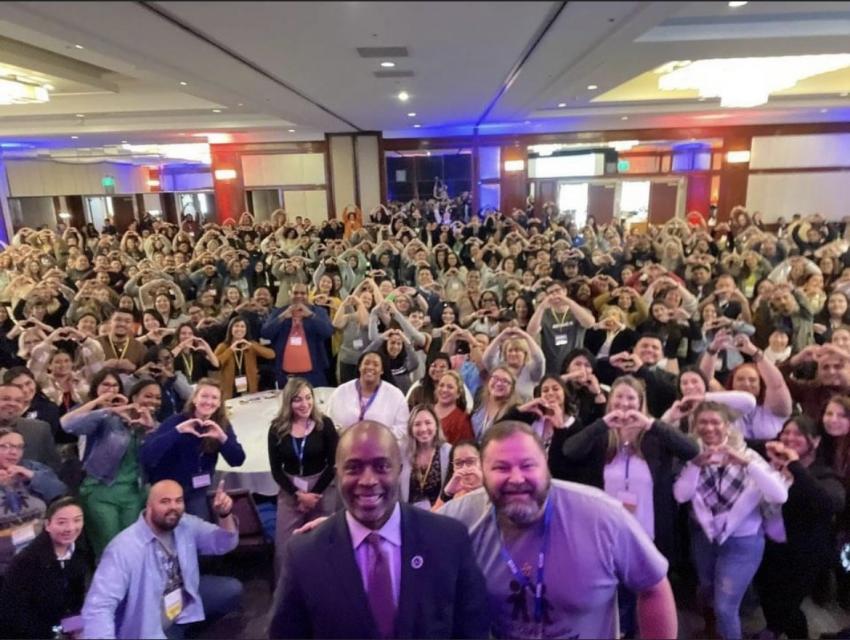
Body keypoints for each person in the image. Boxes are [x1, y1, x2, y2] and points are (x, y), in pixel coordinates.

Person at [438, 420, 677, 639]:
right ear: (483, 472)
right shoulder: (459, 521)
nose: (517, 478)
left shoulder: (602, 517)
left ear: (547, 466)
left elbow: (653, 585)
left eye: (528, 465)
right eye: (501, 468)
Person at [268, 420, 490, 639]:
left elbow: (472, 627)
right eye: (353, 468)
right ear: (338, 474)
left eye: (381, 466)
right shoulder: (304, 555)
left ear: (399, 471)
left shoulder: (448, 540)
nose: (368, 480)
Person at [673, 401, 788, 640]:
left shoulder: (748, 455)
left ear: (727, 426)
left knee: (726, 607)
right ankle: (712, 632)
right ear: (695, 426)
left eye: (716, 422)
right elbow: (681, 495)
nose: (709, 427)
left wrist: (746, 464)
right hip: (704, 537)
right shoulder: (692, 454)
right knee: (707, 589)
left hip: (742, 542)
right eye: (703, 422)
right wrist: (695, 465)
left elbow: (779, 494)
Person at [80, 479, 242, 639]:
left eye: (178, 501)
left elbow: (224, 543)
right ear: (149, 506)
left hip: (182, 605)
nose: (173, 507)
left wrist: (224, 514)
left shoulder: (185, 524)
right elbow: (98, 607)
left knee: (231, 590)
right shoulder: (123, 548)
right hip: (149, 624)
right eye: (165, 502)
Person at [752, 416, 845, 640]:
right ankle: (773, 629)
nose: (790, 438)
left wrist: (794, 464)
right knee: (767, 595)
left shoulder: (824, 474)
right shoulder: (773, 462)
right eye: (786, 433)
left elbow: (829, 504)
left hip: (802, 555)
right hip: (771, 546)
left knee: (788, 607)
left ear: (815, 441)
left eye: (798, 434)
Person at [61, 371, 159, 558]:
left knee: (133, 547)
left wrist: (149, 428)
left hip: (132, 492)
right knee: (110, 548)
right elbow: (67, 424)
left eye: (115, 386)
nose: (111, 390)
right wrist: (107, 409)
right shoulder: (100, 418)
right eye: (106, 385)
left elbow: (154, 452)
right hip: (101, 490)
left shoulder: (143, 418)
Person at [140, 379, 245, 520]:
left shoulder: (221, 425)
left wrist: (222, 438)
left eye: (214, 398)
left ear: (219, 404)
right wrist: (178, 431)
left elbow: (237, 460)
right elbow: (147, 455)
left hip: (197, 492)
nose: (209, 402)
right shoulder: (176, 421)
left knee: (198, 530)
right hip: (169, 491)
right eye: (204, 396)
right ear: (195, 399)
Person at [267, 377, 339, 577]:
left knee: (320, 544)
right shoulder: (276, 429)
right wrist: (298, 495)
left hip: (323, 488)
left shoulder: (325, 424)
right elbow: (276, 470)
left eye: (308, 398)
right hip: (291, 489)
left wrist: (313, 495)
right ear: (288, 402)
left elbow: (334, 465)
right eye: (297, 399)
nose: (305, 404)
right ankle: (285, 594)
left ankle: (319, 590)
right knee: (284, 547)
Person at [0, 497, 89, 640]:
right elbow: (15, 613)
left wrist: (74, 631)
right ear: (47, 525)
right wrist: (53, 634)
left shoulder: (79, 555)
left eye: (77, 520)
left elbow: (74, 602)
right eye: (62, 522)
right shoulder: (25, 562)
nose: (71, 528)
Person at [261, 283, 335, 388]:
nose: (299, 296)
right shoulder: (279, 312)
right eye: (295, 293)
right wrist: (282, 317)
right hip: (285, 374)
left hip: (314, 374)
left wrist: (310, 315)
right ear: (290, 294)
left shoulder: (318, 312)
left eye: (303, 293)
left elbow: (328, 332)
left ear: (308, 295)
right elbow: (265, 333)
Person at [326, 351, 410, 443]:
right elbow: (329, 422)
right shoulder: (341, 391)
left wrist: (378, 436)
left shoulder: (395, 395)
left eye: (375, 364)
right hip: (346, 447)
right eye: (366, 363)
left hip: (382, 449)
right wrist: (343, 432)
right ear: (359, 367)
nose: (370, 367)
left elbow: (403, 428)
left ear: (382, 370)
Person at [399, 405, 452, 509]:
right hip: (409, 514)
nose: (423, 429)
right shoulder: (401, 452)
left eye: (428, 423)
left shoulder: (449, 452)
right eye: (417, 424)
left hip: (439, 514)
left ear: (436, 425)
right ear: (410, 428)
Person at [0, 383, 61, 471]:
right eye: (6, 399)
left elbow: (53, 468)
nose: (12, 404)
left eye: (18, 401)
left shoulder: (40, 429)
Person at [214, 317, 275, 399]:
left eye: (242, 326)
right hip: (229, 390)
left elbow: (271, 355)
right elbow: (215, 364)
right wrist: (230, 350)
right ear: (230, 329)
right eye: (236, 326)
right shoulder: (223, 346)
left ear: (246, 330)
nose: (239, 329)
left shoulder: (251, 344)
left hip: (249, 388)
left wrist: (252, 345)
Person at [432, 370, 474, 445]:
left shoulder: (462, 421)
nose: (444, 390)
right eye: (441, 385)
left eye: (450, 387)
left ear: (458, 394)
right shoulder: (426, 411)